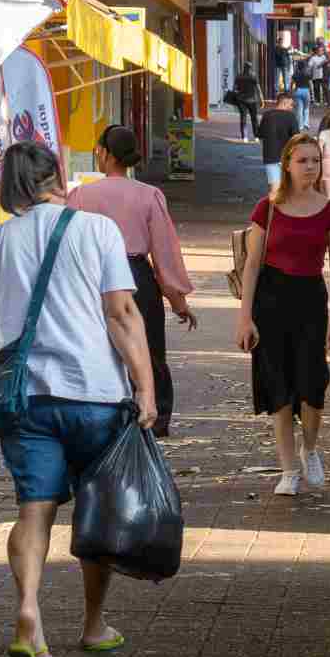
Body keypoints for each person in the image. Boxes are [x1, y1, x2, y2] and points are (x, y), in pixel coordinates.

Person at [0, 141, 156, 657]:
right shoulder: (97, 230)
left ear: (9, 186)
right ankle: (94, 626)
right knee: (98, 515)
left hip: (28, 398)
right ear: (58, 176)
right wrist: (146, 386)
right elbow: (120, 314)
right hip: (96, 395)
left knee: (34, 508)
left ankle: (28, 614)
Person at [67, 125, 197, 438]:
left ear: (105, 154)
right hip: (136, 276)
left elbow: (67, 246)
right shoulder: (149, 195)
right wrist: (178, 301)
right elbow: (164, 252)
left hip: (92, 279)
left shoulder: (80, 196)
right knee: (147, 347)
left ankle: (102, 413)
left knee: (96, 347)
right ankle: (155, 418)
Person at [235, 134, 330, 496]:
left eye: (315, 161)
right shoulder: (266, 208)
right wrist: (245, 316)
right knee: (279, 389)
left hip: (311, 301)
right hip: (270, 303)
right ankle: (287, 470)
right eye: (303, 161)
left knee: (313, 387)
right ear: (287, 163)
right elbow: (252, 266)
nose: (310, 168)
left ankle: (309, 447)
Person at [259, 93, 301, 188]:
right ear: (284, 103)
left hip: (270, 156)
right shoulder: (291, 116)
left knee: (274, 188)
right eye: (291, 105)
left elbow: (261, 135)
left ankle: (273, 203)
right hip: (287, 157)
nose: (292, 108)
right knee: (288, 188)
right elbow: (297, 138)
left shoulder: (266, 115)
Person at [233, 62, 262, 141]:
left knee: (243, 118)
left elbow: (235, 89)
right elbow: (258, 88)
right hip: (252, 100)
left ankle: (244, 136)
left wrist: (235, 97)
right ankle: (256, 136)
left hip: (241, 100)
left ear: (244, 67)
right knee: (254, 119)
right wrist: (261, 99)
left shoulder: (239, 76)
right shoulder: (253, 76)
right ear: (250, 68)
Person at [290, 59, 313, 130]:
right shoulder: (307, 74)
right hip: (306, 90)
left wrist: (291, 91)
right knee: (306, 108)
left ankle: (300, 125)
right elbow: (310, 83)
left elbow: (292, 83)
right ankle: (306, 123)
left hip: (298, 90)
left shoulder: (295, 74)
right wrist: (312, 93)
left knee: (299, 109)